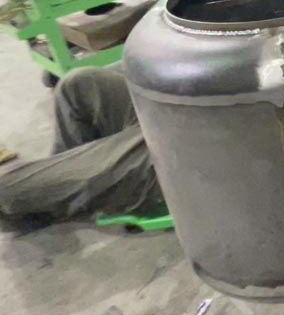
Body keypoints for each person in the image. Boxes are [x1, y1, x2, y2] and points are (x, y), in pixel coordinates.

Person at [0, 67, 163, 221]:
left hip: (176, 156)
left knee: (5, 187)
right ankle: (60, 186)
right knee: (78, 83)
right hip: (169, 118)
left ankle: (56, 187)